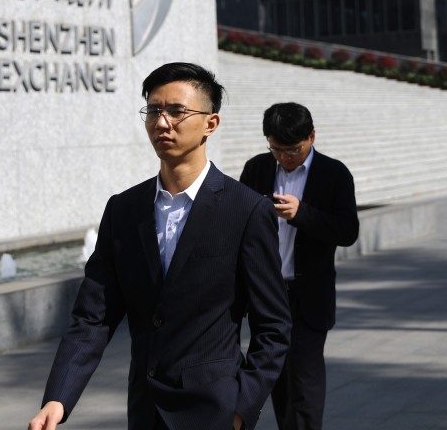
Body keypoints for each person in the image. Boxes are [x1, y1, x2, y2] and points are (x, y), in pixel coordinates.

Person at [29, 63, 291, 430]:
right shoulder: (124, 209)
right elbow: (94, 315)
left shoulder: (245, 210)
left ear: (210, 124)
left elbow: (273, 326)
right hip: (144, 410)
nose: (161, 122)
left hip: (213, 411)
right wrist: (58, 397)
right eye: (154, 110)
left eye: (176, 111)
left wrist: (240, 408)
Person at [239, 103, 359, 430]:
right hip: (267, 296)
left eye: (292, 149)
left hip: (308, 296)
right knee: (276, 381)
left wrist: (301, 213)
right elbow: (236, 225)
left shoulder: (334, 174)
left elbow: (348, 231)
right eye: (276, 149)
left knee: (304, 384)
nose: (285, 157)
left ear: (311, 137)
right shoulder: (257, 170)